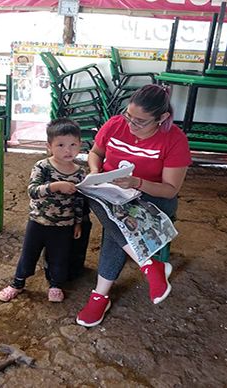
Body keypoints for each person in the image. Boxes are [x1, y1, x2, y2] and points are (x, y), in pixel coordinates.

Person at [76, 84, 191, 327]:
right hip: (111, 193)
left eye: (140, 121)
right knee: (94, 198)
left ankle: (100, 296)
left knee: (114, 225)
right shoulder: (116, 124)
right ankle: (148, 264)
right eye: (129, 116)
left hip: (152, 198)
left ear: (162, 118)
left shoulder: (175, 140)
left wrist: (137, 182)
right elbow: (95, 153)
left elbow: (170, 190)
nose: (130, 124)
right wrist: (97, 173)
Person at [0, 118, 86, 303]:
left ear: (80, 145)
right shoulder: (42, 166)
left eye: (73, 145)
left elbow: (80, 200)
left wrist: (78, 222)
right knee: (29, 254)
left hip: (65, 224)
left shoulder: (80, 173)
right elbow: (32, 191)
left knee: (60, 256)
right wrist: (54, 186)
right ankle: (17, 283)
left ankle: (55, 284)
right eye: (60, 145)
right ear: (49, 146)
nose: (68, 150)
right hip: (38, 221)